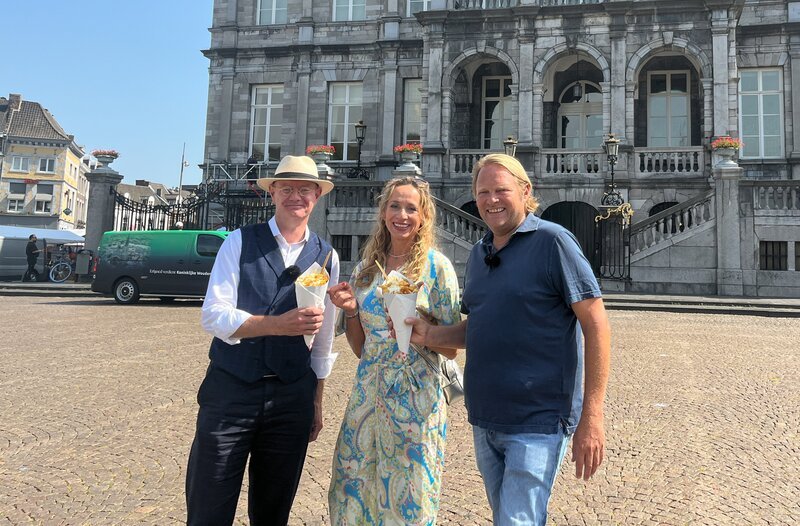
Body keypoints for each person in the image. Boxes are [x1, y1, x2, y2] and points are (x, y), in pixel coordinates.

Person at [401, 154, 611, 526]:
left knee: (517, 521)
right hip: (486, 419)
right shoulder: (480, 254)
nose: (491, 199)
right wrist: (429, 334)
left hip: (538, 419)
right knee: (507, 518)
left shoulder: (553, 242)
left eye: (501, 190)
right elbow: (480, 326)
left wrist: (592, 416)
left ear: (525, 191)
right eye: (483, 192)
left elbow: (596, 325)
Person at [185, 155, 340, 526]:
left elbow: (323, 340)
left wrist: (316, 401)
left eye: (305, 189)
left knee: (273, 512)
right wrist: (276, 325)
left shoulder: (327, 256)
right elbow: (213, 315)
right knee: (209, 507)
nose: (295, 196)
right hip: (231, 392)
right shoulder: (238, 243)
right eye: (286, 188)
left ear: (317, 195)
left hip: (291, 398)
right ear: (272, 192)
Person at [327, 176, 461, 524]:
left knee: (411, 494)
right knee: (353, 485)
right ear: (384, 212)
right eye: (395, 206)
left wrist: (425, 332)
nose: (402, 215)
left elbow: (451, 351)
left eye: (411, 208)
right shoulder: (365, 271)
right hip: (368, 396)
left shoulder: (437, 269)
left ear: (423, 216)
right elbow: (361, 348)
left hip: (416, 401)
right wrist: (351, 310)